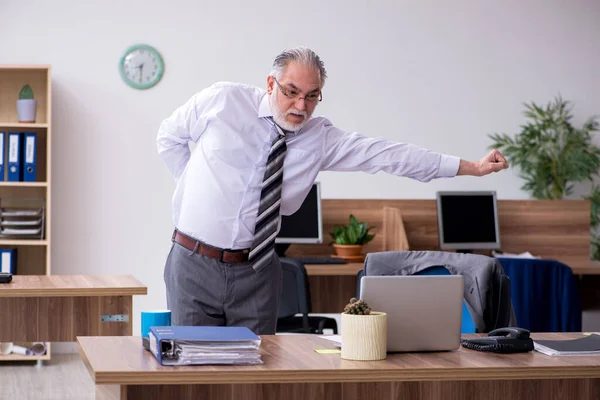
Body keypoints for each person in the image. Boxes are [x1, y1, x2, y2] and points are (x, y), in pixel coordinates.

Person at [157, 46, 509, 335]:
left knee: (255, 374)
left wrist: (472, 167)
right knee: (194, 368)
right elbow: (169, 137)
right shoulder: (223, 101)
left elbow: (390, 155)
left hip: (258, 271)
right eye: (291, 92)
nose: (300, 106)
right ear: (270, 83)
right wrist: (193, 190)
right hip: (194, 263)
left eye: (312, 97)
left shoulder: (320, 138)